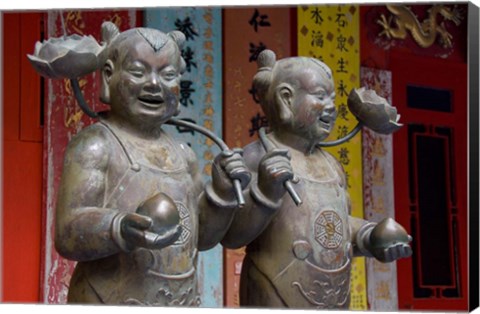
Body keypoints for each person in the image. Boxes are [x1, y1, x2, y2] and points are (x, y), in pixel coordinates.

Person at [55, 22, 250, 305]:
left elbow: (202, 238)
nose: (155, 84)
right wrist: (118, 226)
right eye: (138, 72)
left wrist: (222, 192)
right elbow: (68, 232)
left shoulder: (183, 154)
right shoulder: (98, 145)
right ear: (109, 76)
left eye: (168, 74)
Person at [220, 49, 412, 309]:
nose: (331, 107)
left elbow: (335, 227)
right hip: (274, 292)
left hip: (333, 297)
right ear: (286, 99)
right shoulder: (256, 157)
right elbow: (233, 236)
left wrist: (369, 236)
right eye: (320, 96)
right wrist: (265, 192)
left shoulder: (331, 165)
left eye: (332, 98)